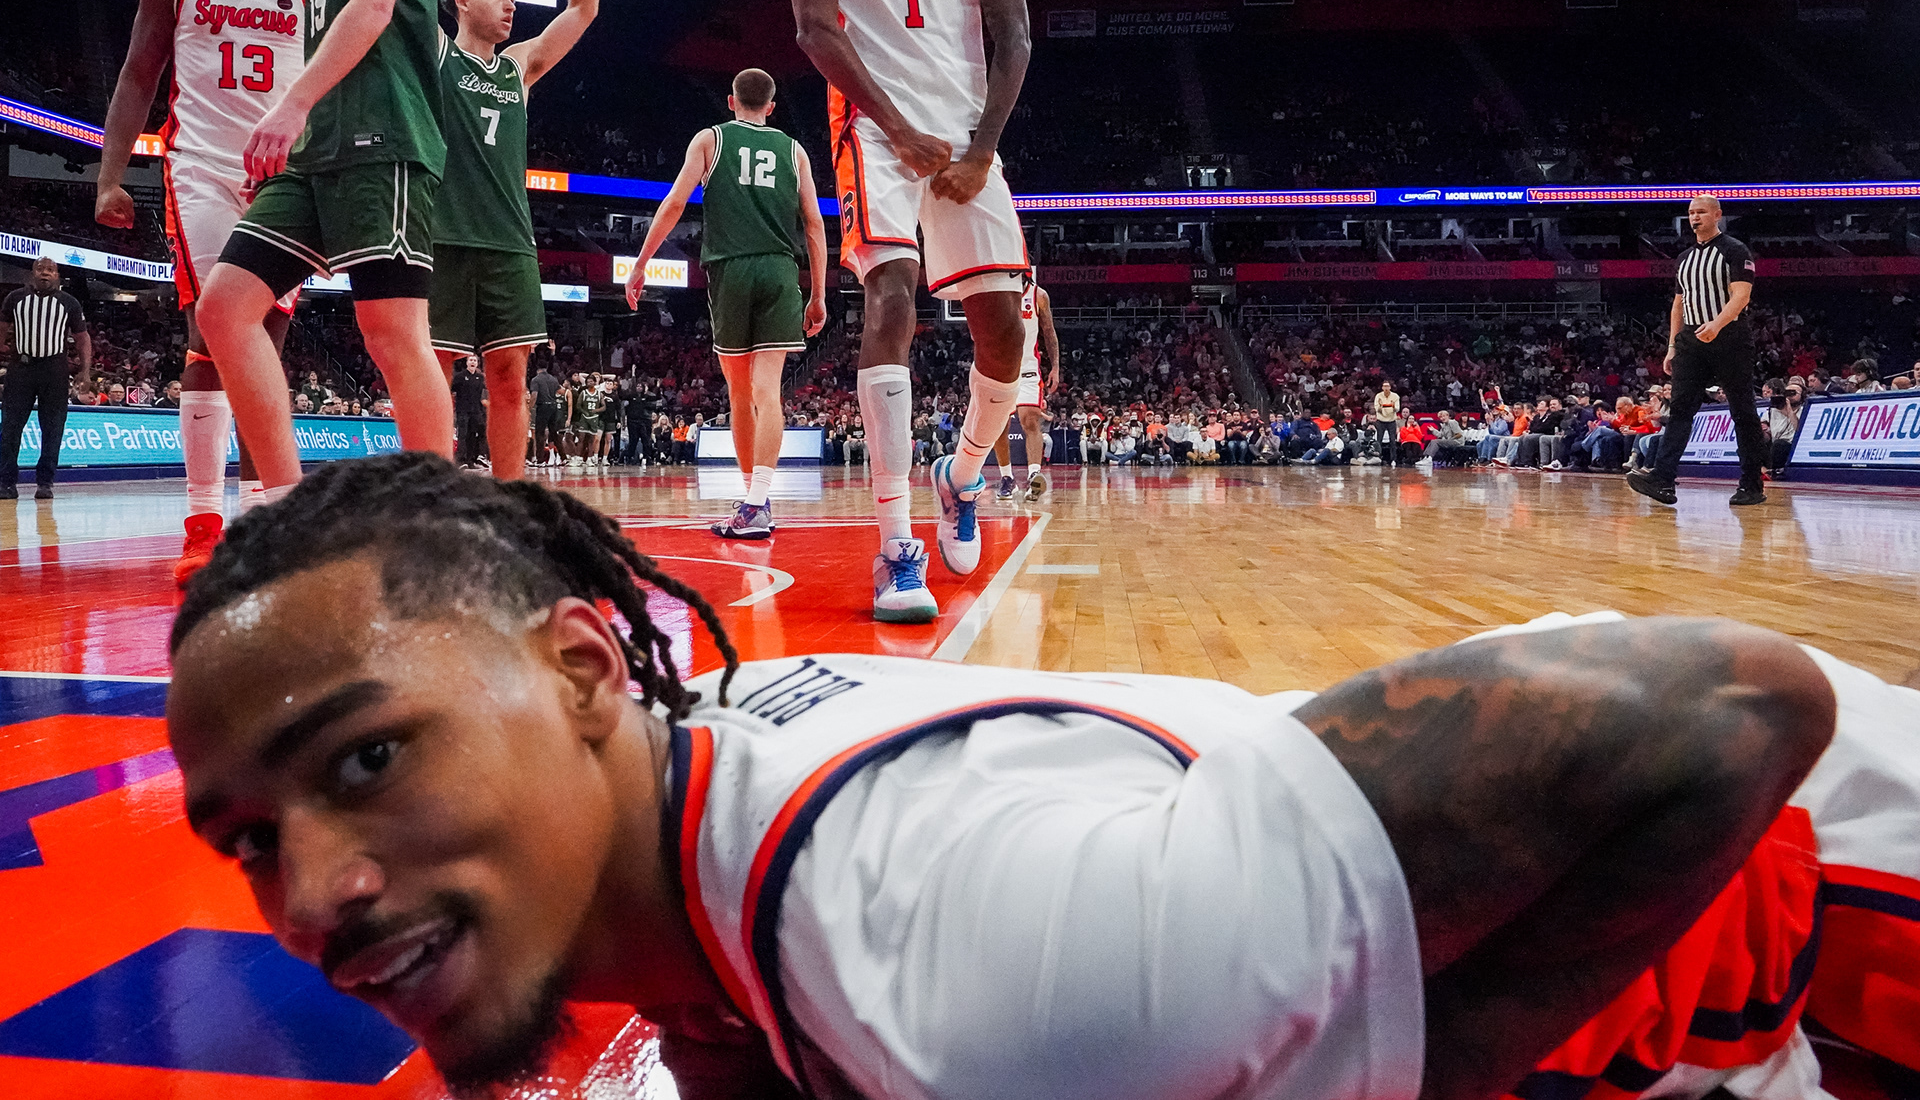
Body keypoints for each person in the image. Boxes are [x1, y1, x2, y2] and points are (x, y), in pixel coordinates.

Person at [165, 453, 1838, 1100]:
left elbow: (1727, 704)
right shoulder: (697, 770)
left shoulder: (993, 992)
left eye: (370, 759)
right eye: (248, 843)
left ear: (589, 670)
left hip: (1838, 920)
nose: (311, 896)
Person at [785, 0, 1032, 620]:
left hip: (966, 137)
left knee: (1004, 337)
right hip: (873, 129)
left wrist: (976, 149)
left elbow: (1018, 37)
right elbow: (816, 29)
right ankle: (896, 548)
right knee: (892, 297)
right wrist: (899, 129)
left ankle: (959, 475)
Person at [192, 0, 453, 509]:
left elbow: (373, 6)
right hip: (317, 152)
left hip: (384, 138)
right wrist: (292, 130)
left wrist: (290, 105)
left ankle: (438, 517)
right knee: (224, 309)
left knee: (392, 330)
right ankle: (283, 505)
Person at [94, 0, 307, 581]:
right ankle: (202, 521)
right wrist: (112, 175)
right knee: (214, 331)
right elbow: (136, 76)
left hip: (287, 181)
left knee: (265, 347)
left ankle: (259, 523)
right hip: (204, 170)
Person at [425, 0, 603, 481]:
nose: (510, 6)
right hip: (440, 233)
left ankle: (510, 500)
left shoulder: (518, 68)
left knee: (509, 375)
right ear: (459, 1)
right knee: (431, 374)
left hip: (509, 241)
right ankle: (428, 500)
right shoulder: (436, 52)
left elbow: (582, 10)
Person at [625, 69, 829, 541]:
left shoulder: (710, 139)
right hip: (780, 270)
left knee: (741, 394)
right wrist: (817, 294)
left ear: (732, 102)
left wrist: (642, 264)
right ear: (771, 108)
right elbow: (816, 227)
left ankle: (753, 502)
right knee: (768, 391)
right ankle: (757, 500)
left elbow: (675, 202)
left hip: (730, 270)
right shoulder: (794, 151)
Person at [1630, 194, 1766, 508]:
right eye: (1691, 212)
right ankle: (1662, 479)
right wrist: (1672, 345)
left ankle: (1752, 484)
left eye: (1701, 212)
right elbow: (1679, 304)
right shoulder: (1684, 258)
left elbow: (1741, 295)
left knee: (1742, 410)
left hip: (1729, 334)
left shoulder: (1735, 250)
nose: (1695, 217)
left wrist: (1717, 324)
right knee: (1679, 409)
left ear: (1717, 215)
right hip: (1691, 338)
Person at [0, 257, 91, 501]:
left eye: (50, 270)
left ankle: (45, 482)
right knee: (9, 427)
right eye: (40, 269)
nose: (45, 273)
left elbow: (82, 338)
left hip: (54, 370)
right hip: (21, 367)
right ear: (32, 273)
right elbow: (2, 326)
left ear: (57, 275)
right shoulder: (15, 298)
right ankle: (6, 482)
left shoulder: (69, 303)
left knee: (52, 429)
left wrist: (85, 371)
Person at [991, 279, 1057, 503]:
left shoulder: (1039, 295)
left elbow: (1048, 331)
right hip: (1001, 368)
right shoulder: (997, 291)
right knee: (1000, 425)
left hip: (1028, 369)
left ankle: (1034, 475)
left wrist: (1055, 367)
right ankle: (1007, 478)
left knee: (1030, 419)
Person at [450, 354, 487, 468]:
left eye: (474, 360)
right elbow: (451, 390)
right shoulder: (460, 376)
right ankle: (461, 460)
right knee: (462, 435)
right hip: (462, 410)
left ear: (477, 363)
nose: (472, 362)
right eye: (470, 360)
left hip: (475, 411)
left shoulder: (480, 377)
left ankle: (471, 461)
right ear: (466, 362)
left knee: (472, 435)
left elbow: (483, 393)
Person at [528, 359, 561, 469]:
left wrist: (529, 408)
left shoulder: (536, 379)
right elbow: (558, 391)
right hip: (554, 405)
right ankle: (563, 457)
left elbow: (534, 395)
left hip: (543, 406)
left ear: (537, 368)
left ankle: (540, 460)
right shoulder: (553, 379)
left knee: (540, 434)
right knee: (553, 433)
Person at [1371, 379, 1403, 466]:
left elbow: (1397, 408)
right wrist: (1384, 406)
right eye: (1384, 386)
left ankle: (1393, 459)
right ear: (1382, 387)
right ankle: (1378, 458)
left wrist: (1389, 406)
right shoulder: (1378, 396)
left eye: (1387, 386)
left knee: (1392, 441)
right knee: (1379, 440)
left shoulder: (1395, 396)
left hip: (1391, 421)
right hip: (1380, 420)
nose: (1386, 388)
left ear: (1390, 387)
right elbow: (1377, 408)